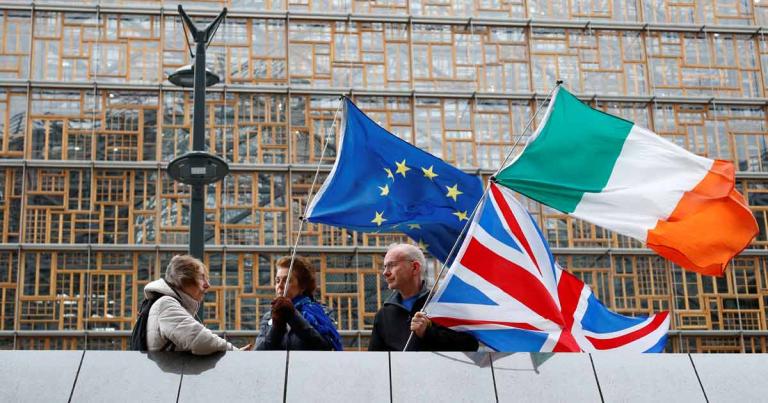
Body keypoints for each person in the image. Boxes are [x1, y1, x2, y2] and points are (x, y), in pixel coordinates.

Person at [368, 243, 479, 351]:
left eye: (392, 265)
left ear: (415, 267)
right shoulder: (383, 315)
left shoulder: (443, 304)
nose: (385, 273)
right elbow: (375, 362)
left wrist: (427, 332)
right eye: (385, 266)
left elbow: (470, 345)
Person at [144, 254, 251, 354]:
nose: (207, 285)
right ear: (183, 279)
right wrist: (234, 352)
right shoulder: (166, 304)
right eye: (201, 277)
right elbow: (199, 339)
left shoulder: (168, 304)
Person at [255, 256, 342, 351]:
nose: (279, 286)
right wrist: (277, 327)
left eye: (286, 281)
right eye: (277, 281)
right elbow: (259, 353)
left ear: (303, 286)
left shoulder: (322, 312)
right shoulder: (269, 316)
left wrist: (293, 316)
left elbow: (325, 347)